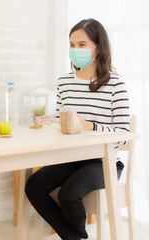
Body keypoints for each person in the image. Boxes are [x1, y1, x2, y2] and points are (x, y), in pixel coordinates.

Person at [25, 19, 130, 240]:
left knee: (69, 195)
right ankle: (74, 237)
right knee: (34, 185)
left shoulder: (115, 84)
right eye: (72, 45)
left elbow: (123, 135)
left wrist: (90, 126)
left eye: (82, 44)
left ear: (98, 47)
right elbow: (63, 121)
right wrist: (50, 121)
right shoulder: (64, 82)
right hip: (71, 158)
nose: (75, 50)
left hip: (104, 161)